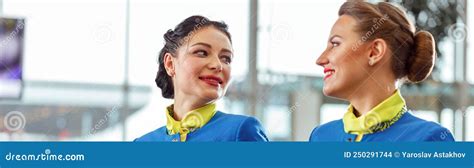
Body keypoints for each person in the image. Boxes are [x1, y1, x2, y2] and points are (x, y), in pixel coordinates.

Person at [310, 2, 454, 142]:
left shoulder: (430, 139)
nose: (320, 60)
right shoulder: (320, 137)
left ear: (374, 52)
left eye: (335, 44)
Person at [135, 15, 268, 142]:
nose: (218, 65)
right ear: (170, 64)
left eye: (226, 58)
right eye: (202, 52)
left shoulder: (241, 131)